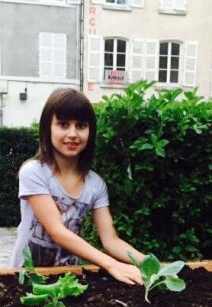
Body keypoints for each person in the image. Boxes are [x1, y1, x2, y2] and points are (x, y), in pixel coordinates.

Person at [10, 88, 144, 285]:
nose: (72, 134)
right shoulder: (34, 172)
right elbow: (57, 231)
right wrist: (111, 264)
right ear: (48, 127)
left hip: (69, 280)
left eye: (81, 125)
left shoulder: (96, 184)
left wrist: (152, 265)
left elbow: (111, 240)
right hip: (27, 278)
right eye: (63, 125)